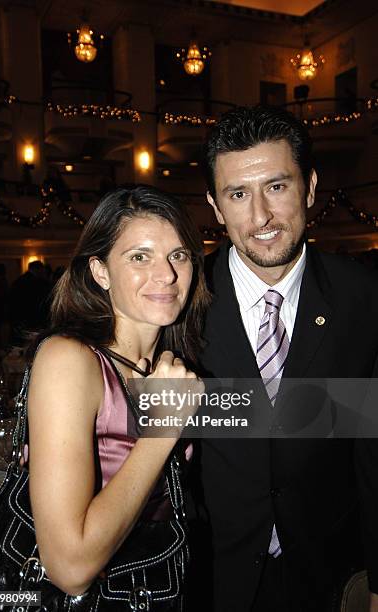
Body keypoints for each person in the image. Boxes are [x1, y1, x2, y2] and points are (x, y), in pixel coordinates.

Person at [190, 106, 378, 611]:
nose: (260, 218)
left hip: (329, 574)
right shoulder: (181, 304)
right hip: (212, 577)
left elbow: (372, 449)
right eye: (237, 194)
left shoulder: (364, 298)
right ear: (215, 205)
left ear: (310, 188)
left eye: (277, 187)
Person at [25, 185, 209, 609]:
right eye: (140, 257)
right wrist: (164, 429)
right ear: (100, 271)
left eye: (178, 255)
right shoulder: (69, 360)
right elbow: (69, 570)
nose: (166, 274)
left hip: (160, 588)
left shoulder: (168, 366)